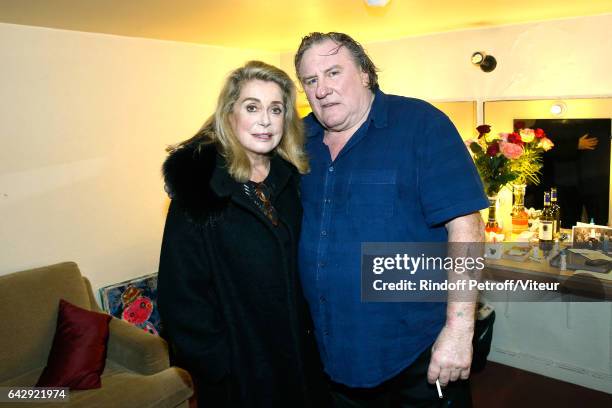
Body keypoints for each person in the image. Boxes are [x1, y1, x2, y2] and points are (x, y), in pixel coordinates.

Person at [294, 32, 488, 407]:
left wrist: (460, 331)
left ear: (365, 73)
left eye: (333, 72)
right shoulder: (300, 138)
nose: (321, 89)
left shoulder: (421, 125)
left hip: (415, 352)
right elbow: (241, 140)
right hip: (331, 352)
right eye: (311, 80)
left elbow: (467, 227)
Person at [157, 60, 328, 407]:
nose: (265, 120)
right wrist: (219, 365)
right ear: (230, 114)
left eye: (276, 109)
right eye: (252, 107)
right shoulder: (199, 191)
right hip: (243, 375)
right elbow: (181, 297)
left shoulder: (294, 181)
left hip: (301, 361)